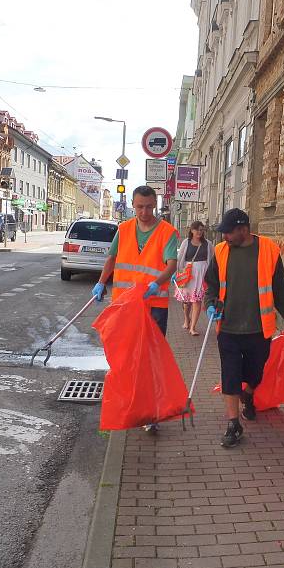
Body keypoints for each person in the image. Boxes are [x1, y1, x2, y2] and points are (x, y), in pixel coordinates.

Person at [204, 208, 284, 448]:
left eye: (228, 232)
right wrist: (209, 305)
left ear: (243, 229)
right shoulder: (220, 252)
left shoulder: (268, 250)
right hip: (227, 327)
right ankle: (233, 424)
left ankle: (248, 395)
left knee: (255, 374)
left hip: (259, 329)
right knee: (230, 374)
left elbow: (280, 289)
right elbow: (211, 286)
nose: (224, 237)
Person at [92, 185, 179, 433]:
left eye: (149, 207)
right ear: (133, 204)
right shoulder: (123, 229)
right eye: (140, 207)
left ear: (155, 204)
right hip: (124, 305)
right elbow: (111, 258)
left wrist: (157, 283)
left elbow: (172, 265)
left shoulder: (167, 232)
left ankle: (149, 411)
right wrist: (100, 283)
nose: (144, 212)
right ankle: (128, 403)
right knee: (125, 356)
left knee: (149, 359)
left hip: (154, 305)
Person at [175, 221, 211, 336]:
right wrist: (177, 272)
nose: (199, 232)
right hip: (188, 273)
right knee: (186, 301)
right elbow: (180, 258)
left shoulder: (208, 244)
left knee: (197, 300)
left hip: (202, 274)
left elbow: (211, 260)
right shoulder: (186, 242)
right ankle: (186, 319)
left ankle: (193, 327)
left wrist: (210, 275)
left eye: (201, 230)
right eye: (197, 230)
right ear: (192, 230)